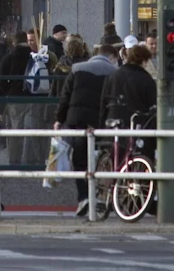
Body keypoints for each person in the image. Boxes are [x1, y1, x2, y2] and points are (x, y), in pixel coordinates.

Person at [53, 37, 116, 216]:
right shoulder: (114, 72)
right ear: (111, 57)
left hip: (77, 121)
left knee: (80, 159)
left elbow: (65, 97)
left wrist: (59, 119)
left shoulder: (76, 69)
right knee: (102, 159)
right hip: (102, 123)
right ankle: (100, 197)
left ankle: (84, 198)